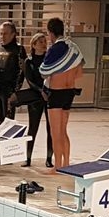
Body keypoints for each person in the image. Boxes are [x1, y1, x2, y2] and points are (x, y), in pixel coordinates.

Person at [40, 17, 85, 172]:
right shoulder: (74, 48)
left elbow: (44, 71)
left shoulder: (54, 49)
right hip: (70, 91)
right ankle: (66, 163)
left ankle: (58, 166)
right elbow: (79, 73)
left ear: (50, 33)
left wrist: (57, 73)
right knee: (63, 130)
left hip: (57, 93)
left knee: (56, 132)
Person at [22, 32, 54, 168]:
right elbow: (30, 80)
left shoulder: (49, 59)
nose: (44, 44)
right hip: (36, 97)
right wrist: (41, 91)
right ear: (34, 45)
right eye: (40, 42)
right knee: (33, 128)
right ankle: (28, 158)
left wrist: (47, 91)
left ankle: (49, 158)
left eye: (45, 41)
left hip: (49, 96)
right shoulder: (29, 61)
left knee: (50, 128)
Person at [0, 22, 26, 126]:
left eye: (5, 33)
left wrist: (15, 91)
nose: (2, 36)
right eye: (0, 33)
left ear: (13, 34)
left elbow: (22, 71)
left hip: (9, 90)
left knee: (8, 123)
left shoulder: (19, 49)